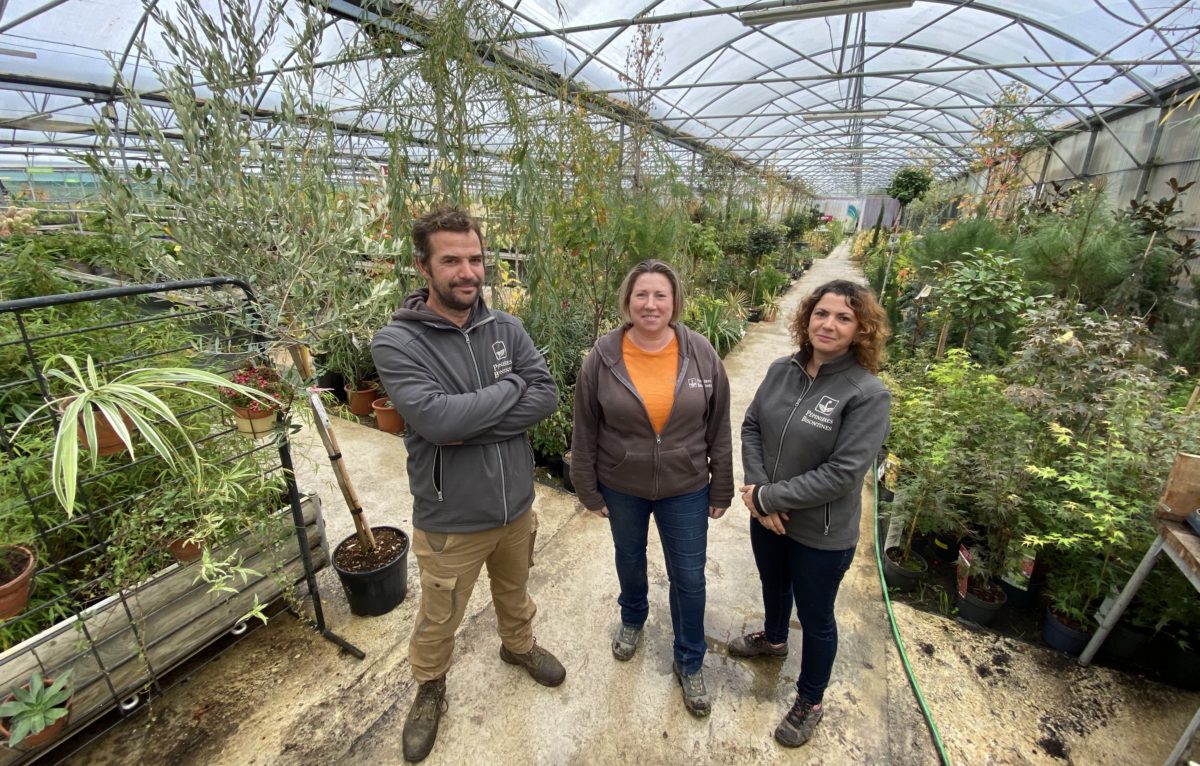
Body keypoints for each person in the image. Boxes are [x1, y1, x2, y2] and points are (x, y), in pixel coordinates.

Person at [371, 206, 564, 763]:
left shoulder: (506, 327)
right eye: (451, 259)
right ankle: (430, 687)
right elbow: (436, 422)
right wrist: (508, 391)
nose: (467, 271)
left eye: (475, 258)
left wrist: (466, 419)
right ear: (423, 267)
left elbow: (546, 394)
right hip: (450, 515)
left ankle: (518, 647)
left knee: (515, 591)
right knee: (439, 614)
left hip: (515, 508)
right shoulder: (398, 342)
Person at [570, 259, 733, 718]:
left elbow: (718, 426)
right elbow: (585, 429)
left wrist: (721, 487)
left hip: (685, 486)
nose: (651, 304)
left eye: (661, 295)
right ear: (628, 300)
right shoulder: (603, 356)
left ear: (675, 301)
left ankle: (690, 658)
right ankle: (633, 616)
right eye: (642, 294)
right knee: (629, 557)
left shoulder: (701, 353)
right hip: (622, 483)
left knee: (690, 576)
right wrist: (587, 487)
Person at [734, 279, 891, 748]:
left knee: (818, 615)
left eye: (844, 317)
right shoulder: (782, 370)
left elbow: (844, 473)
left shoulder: (866, 393)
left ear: (862, 328)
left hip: (820, 533)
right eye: (822, 313)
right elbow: (751, 426)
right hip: (769, 518)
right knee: (773, 585)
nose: (829, 324)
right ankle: (775, 639)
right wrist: (760, 492)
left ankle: (810, 700)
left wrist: (768, 499)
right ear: (807, 317)